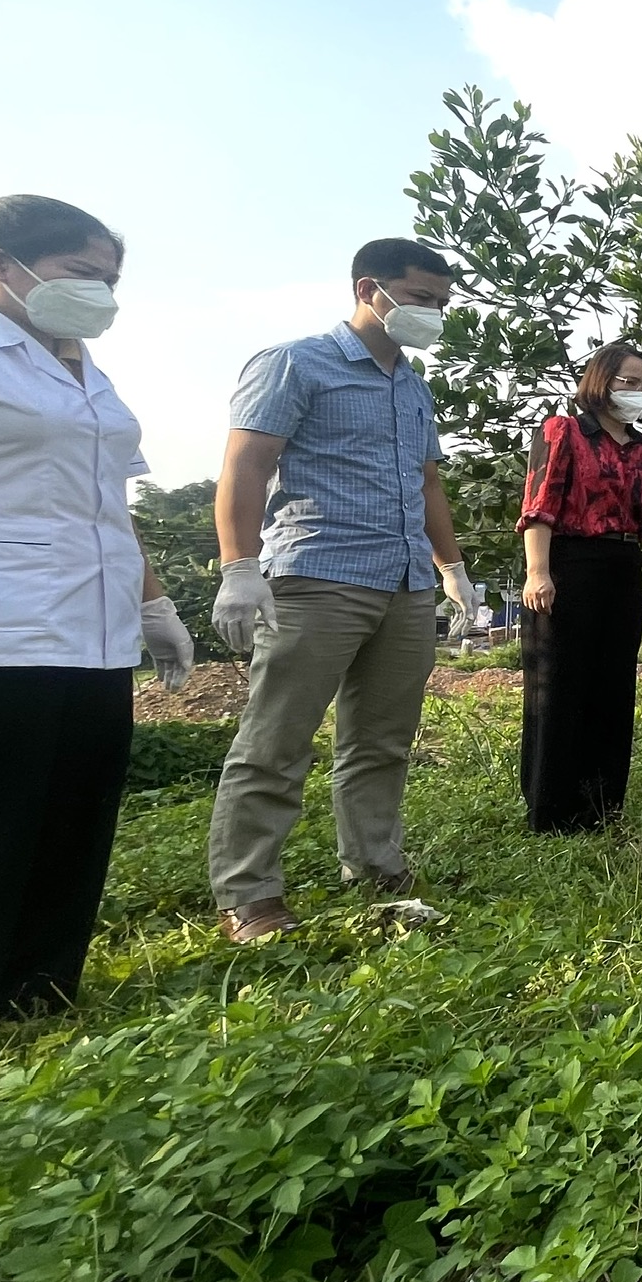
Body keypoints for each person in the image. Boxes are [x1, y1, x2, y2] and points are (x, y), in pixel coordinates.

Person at [0, 197, 195, 1088]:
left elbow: (108, 507)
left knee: (67, 829)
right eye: (79, 275)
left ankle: (34, 1004)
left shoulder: (87, 372)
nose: (99, 295)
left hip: (86, 639)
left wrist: (154, 604)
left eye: (110, 280)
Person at [205, 238, 480, 943]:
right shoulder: (295, 362)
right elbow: (246, 465)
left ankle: (375, 863)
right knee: (276, 740)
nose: (431, 315)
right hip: (319, 575)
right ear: (370, 289)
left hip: (404, 581)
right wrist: (238, 566)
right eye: (420, 298)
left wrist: (451, 567)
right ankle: (250, 893)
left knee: (382, 739)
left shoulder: (411, 383)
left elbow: (428, 483)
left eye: (440, 304)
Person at [516, 342, 642, 832]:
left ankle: (601, 805)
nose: (636, 391)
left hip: (623, 565)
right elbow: (539, 506)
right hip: (568, 562)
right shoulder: (564, 431)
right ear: (600, 380)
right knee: (559, 685)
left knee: (614, 685)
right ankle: (551, 808)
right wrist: (539, 572)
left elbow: (639, 517)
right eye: (626, 381)